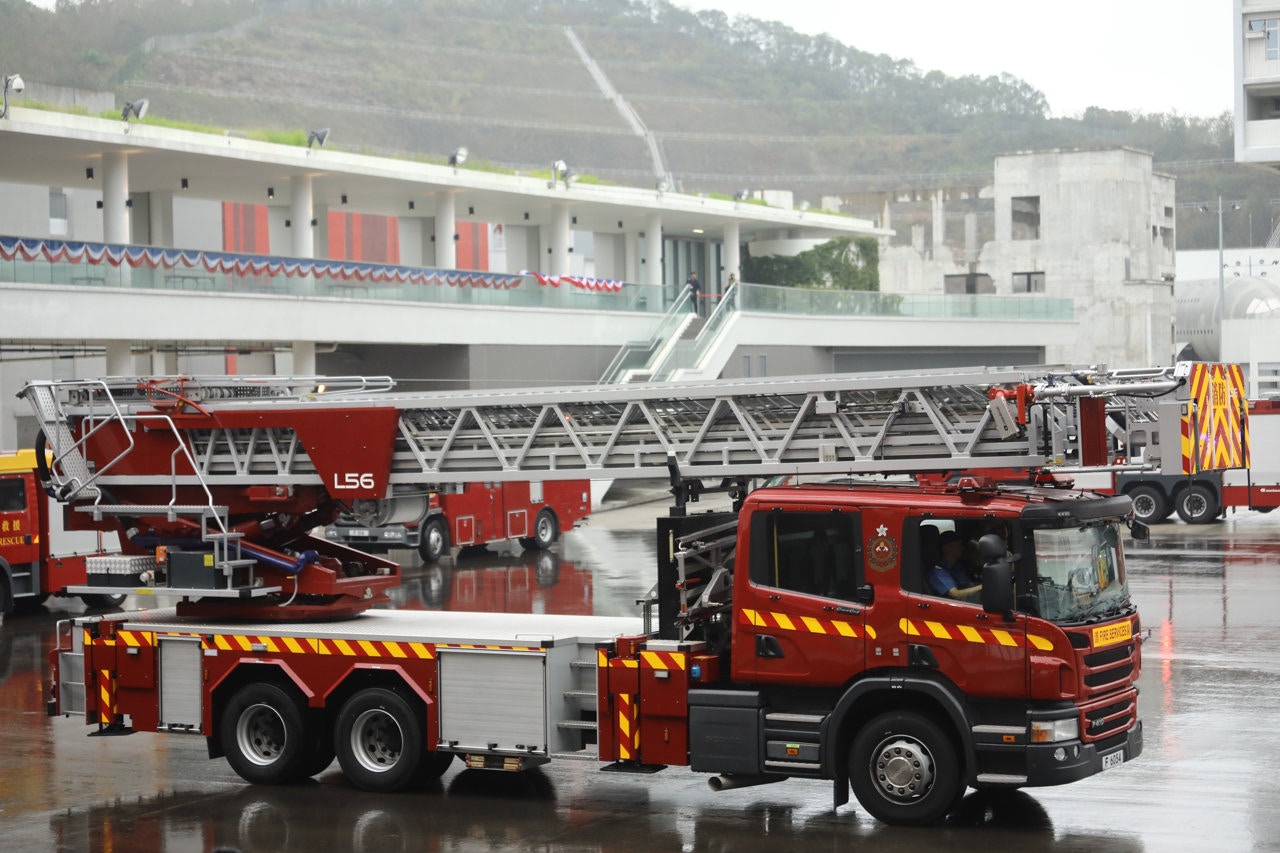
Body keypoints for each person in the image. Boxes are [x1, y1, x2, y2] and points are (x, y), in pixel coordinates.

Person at [927, 530, 982, 603]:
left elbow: (968, 585)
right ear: (946, 548)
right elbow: (955, 595)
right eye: (958, 545)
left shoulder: (958, 566)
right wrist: (982, 587)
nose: (962, 548)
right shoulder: (938, 571)